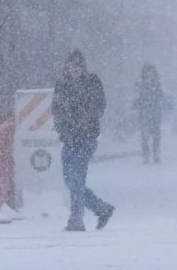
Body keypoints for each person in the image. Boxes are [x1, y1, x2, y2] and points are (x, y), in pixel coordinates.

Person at [52, 50, 114, 231]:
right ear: (67, 66)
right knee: (69, 180)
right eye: (71, 65)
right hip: (68, 139)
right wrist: (62, 128)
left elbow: (99, 106)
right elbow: (56, 108)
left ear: (83, 67)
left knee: (77, 179)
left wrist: (83, 123)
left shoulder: (92, 82)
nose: (74, 68)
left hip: (86, 139)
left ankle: (76, 220)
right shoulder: (62, 85)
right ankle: (102, 208)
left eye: (78, 65)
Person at [132, 64, 166, 164]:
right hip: (144, 113)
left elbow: (160, 96)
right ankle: (146, 155)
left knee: (156, 134)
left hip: (154, 113)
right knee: (144, 135)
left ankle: (155, 153)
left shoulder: (156, 84)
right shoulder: (140, 84)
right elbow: (137, 98)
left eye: (150, 72)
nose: (149, 74)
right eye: (147, 72)